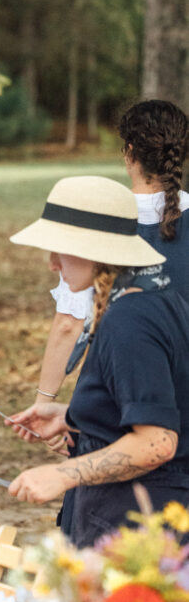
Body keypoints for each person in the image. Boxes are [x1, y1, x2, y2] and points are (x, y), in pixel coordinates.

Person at [5, 175, 189, 545]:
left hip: (140, 529)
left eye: (60, 249)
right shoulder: (151, 294)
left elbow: (157, 441)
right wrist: (75, 415)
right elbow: (158, 397)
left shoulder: (130, 318)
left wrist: (63, 474)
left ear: (95, 250)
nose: (52, 263)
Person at [31, 100, 189, 407]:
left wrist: (44, 401)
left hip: (119, 390)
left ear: (130, 152)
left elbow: (69, 323)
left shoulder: (101, 222)